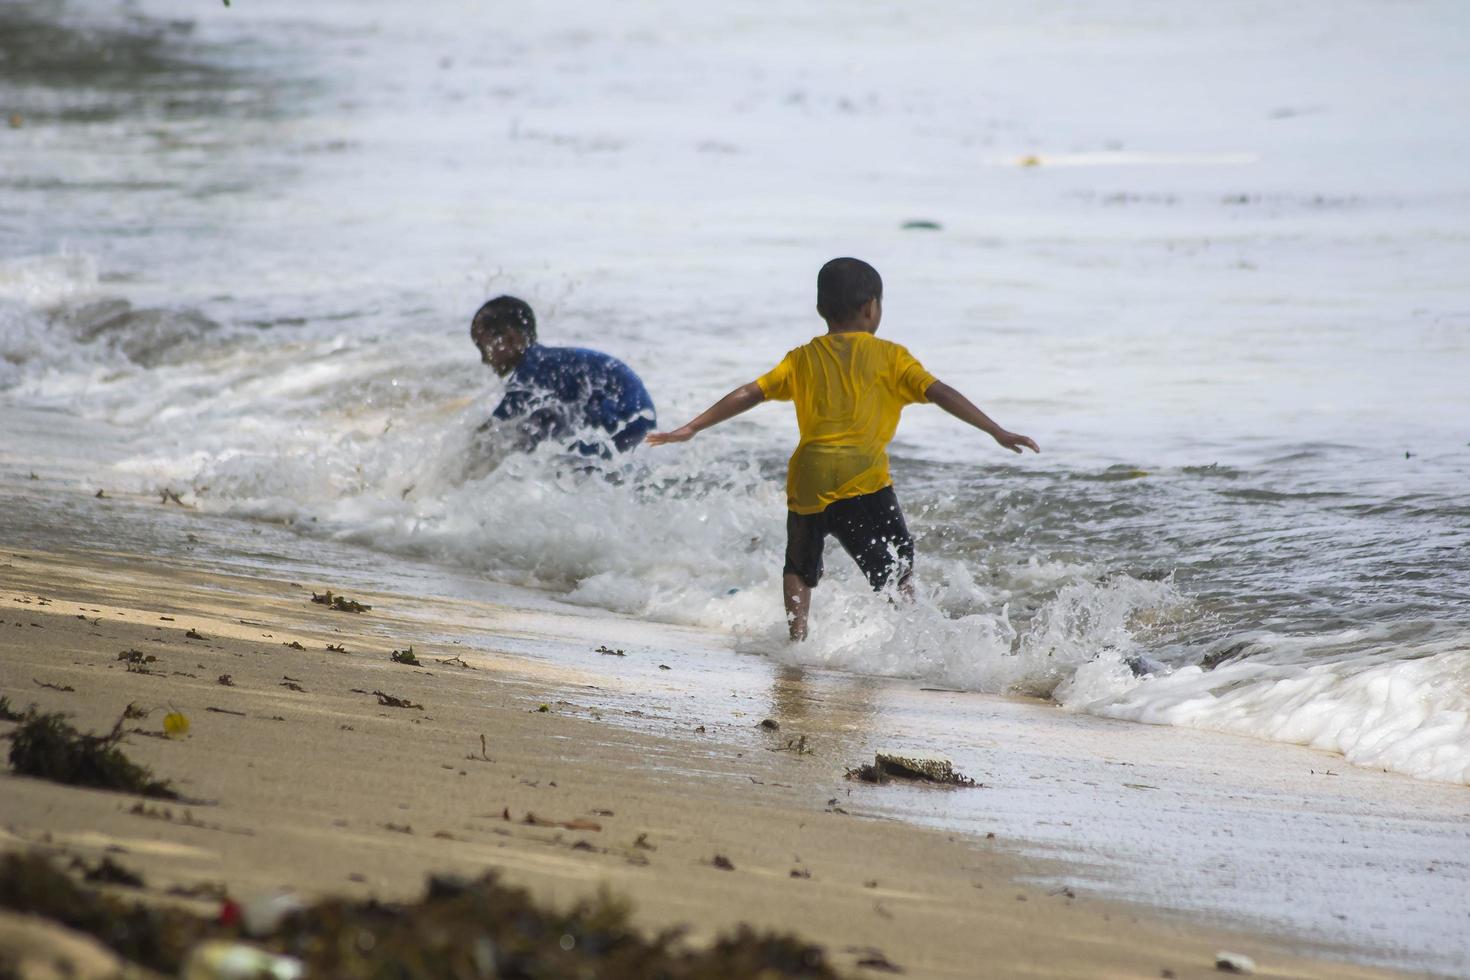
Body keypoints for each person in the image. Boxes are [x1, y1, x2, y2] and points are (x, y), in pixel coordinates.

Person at [647, 258, 1039, 641]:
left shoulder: (801, 357)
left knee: (799, 562)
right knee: (897, 559)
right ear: (871, 307)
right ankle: (911, 636)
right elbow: (941, 393)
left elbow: (751, 392)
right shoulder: (892, 356)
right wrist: (995, 430)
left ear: (821, 308)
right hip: (863, 478)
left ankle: (797, 637)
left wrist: (692, 427)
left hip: (808, 480)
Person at [470, 295, 656, 458]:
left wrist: (462, 457)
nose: (485, 360)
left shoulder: (533, 370)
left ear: (508, 340)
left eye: (483, 348)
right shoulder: (547, 363)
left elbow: (491, 430)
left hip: (623, 418)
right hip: (638, 417)